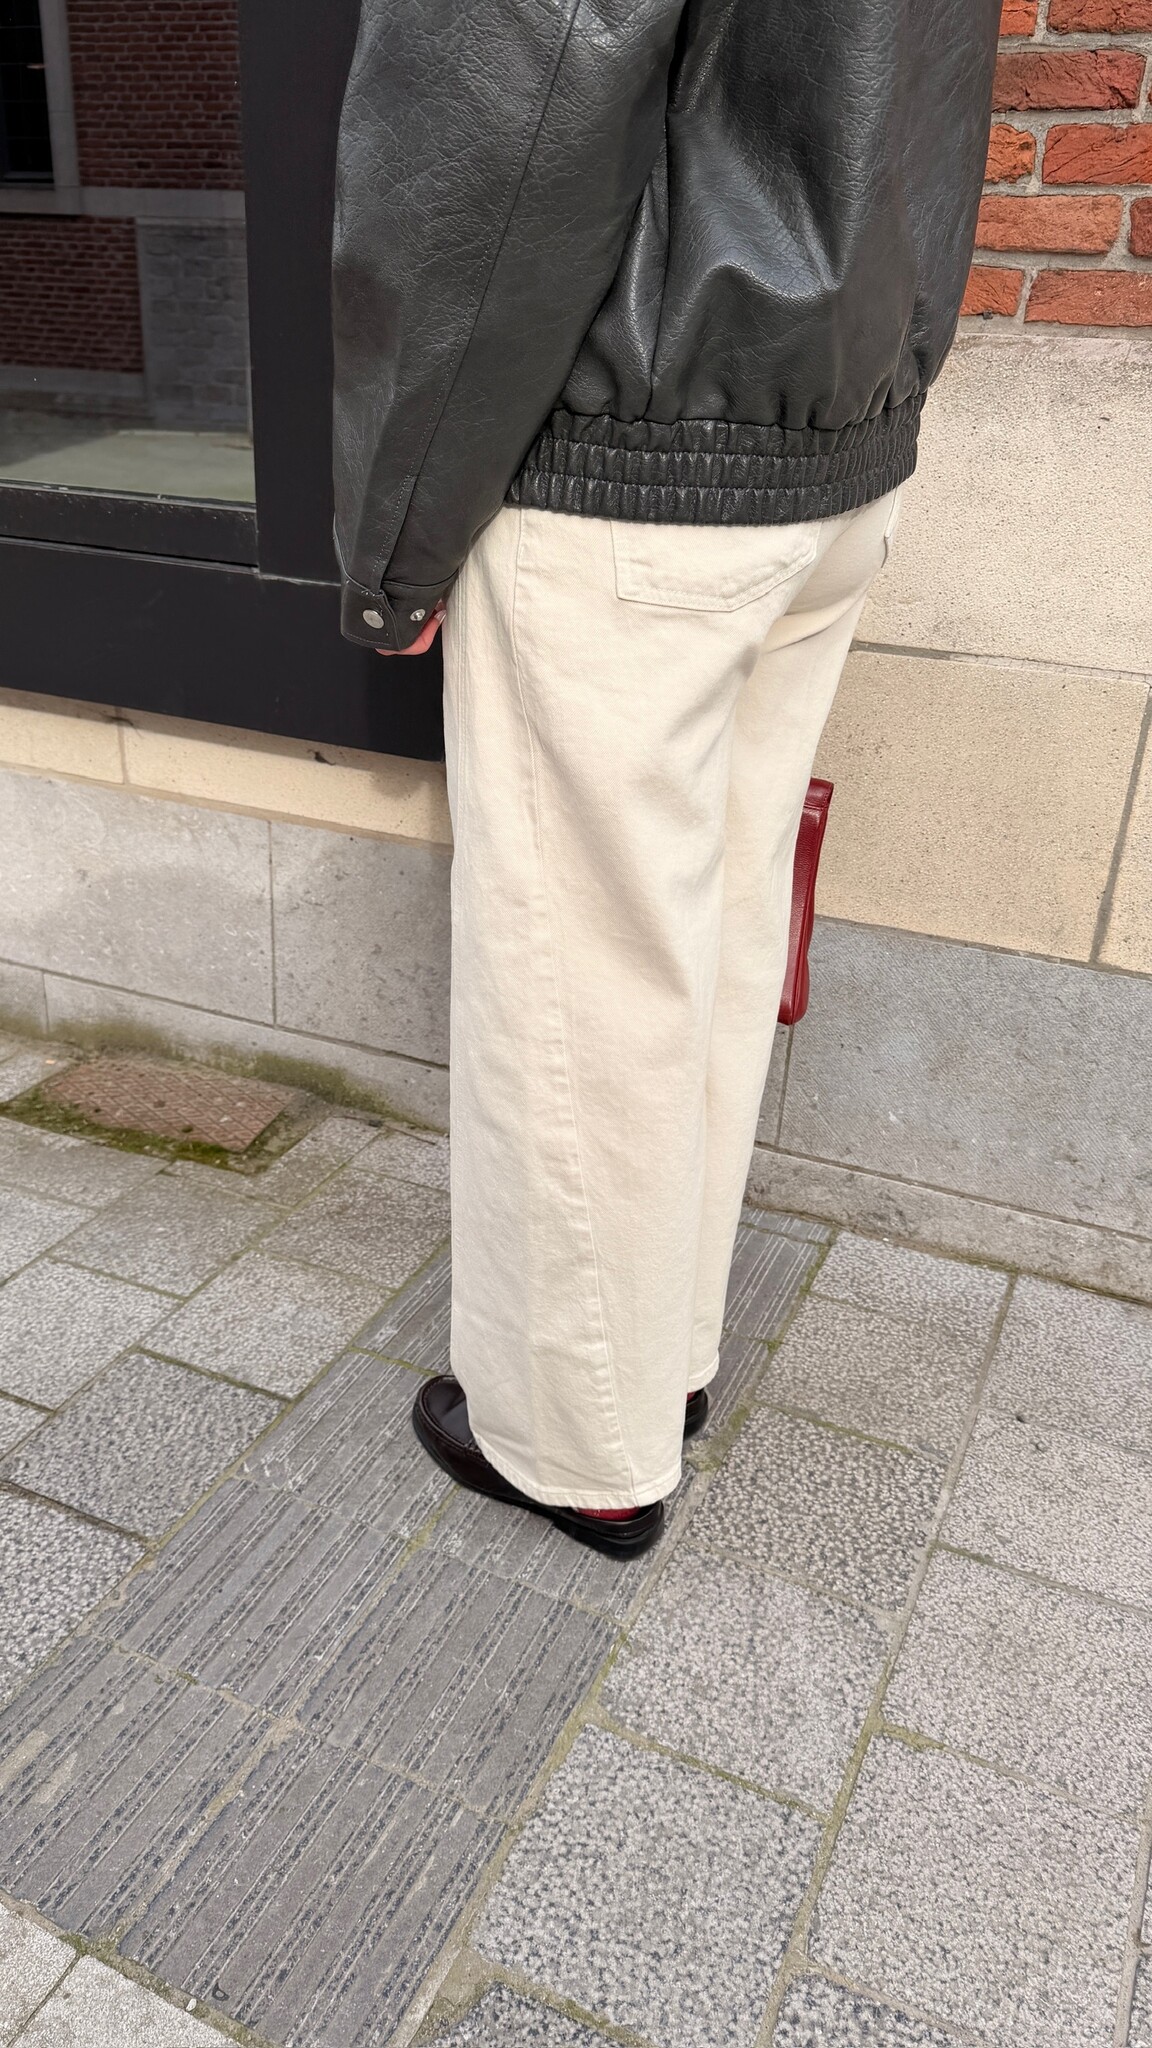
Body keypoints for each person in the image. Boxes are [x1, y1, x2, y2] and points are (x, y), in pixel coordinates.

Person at [331, 0, 999, 1557]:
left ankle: (580, 1447)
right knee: (704, 936)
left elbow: (498, 112)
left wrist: (399, 535)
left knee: (581, 972)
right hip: (824, 439)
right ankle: (661, 1359)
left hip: (625, 469)